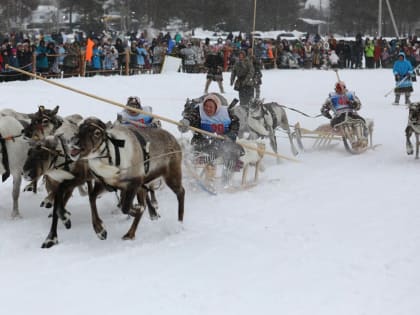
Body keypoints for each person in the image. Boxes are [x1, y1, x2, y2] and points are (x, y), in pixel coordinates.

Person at [178, 93, 243, 184]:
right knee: (201, 150)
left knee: (230, 152)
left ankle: (226, 181)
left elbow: (235, 127)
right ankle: (199, 176)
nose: (207, 109)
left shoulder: (227, 113)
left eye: (210, 107)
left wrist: (229, 136)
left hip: (222, 143)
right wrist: (186, 121)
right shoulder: (199, 111)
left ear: (217, 107)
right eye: (206, 106)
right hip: (202, 141)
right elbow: (191, 117)